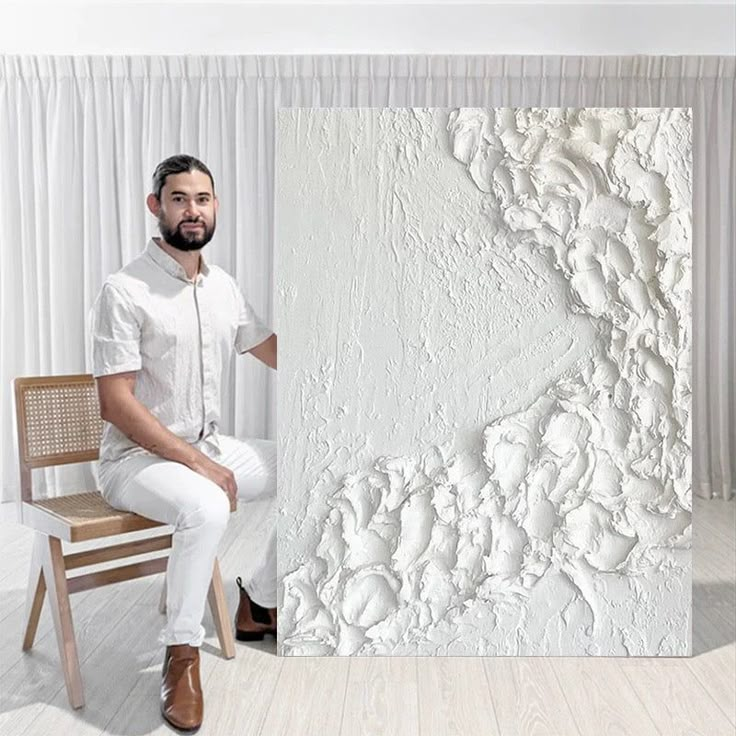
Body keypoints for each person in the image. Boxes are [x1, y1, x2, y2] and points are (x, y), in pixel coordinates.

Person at [90, 154, 277, 733]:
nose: (191, 210)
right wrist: (198, 464)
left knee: (313, 463)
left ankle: (261, 600)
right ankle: (181, 655)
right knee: (205, 503)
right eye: (178, 199)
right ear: (156, 207)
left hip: (206, 448)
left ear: (215, 207)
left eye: (202, 199)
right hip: (135, 461)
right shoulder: (125, 289)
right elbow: (115, 404)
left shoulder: (222, 286)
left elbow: (270, 347)